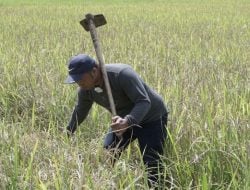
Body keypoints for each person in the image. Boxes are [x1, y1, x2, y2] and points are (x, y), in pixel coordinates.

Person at [65, 54, 169, 188]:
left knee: (152, 164)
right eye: (76, 80)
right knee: (109, 152)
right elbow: (80, 111)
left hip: (152, 118)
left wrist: (127, 122)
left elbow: (143, 102)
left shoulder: (122, 74)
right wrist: (69, 131)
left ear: (94, 71)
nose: (79, 83)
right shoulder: (86, 90)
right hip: (122, 120)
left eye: (81, 78)